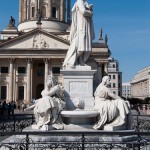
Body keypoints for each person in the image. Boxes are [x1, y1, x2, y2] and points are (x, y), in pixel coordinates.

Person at [63, 0, 95, 68]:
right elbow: (83, 11)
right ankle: (71, 61)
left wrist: (89, 8)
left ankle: (81, 62)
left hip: (85, 27)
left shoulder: (84, 3)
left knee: (84, 47)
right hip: (81, 28)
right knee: (81, 46)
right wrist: (90, 13)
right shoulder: (79, 2)